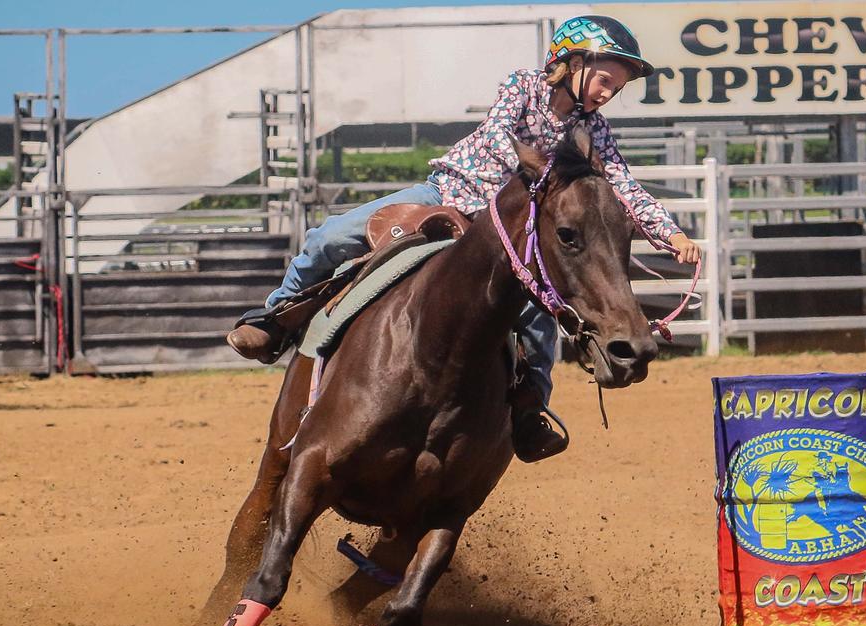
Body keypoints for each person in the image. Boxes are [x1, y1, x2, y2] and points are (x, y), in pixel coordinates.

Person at [228, 15, 700, 462]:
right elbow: (498, 133)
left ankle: (530, 408)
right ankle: (276, 318)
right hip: (447, 195)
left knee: (537, 318)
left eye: (615, 88)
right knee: (332, 236)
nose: (607, 94)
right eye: (605, 81)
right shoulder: (524, 85)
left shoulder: (593, 129)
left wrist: (670, 234)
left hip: (510, 235)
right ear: (573, 63)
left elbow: (622, 186)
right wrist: (536, 171)